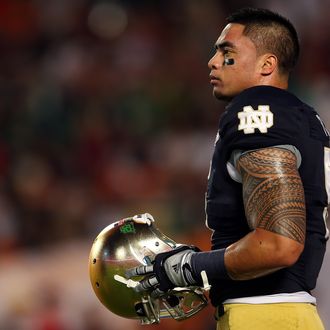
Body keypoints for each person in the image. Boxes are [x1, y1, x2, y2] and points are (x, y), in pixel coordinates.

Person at [126, 7, 329, 329]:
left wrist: (190, 266)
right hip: (281, 313)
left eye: (227, 51)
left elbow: (280, 244)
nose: (213, 60)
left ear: (267, 64)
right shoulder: (299, 115)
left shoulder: (258, 112)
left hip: (262, 315)